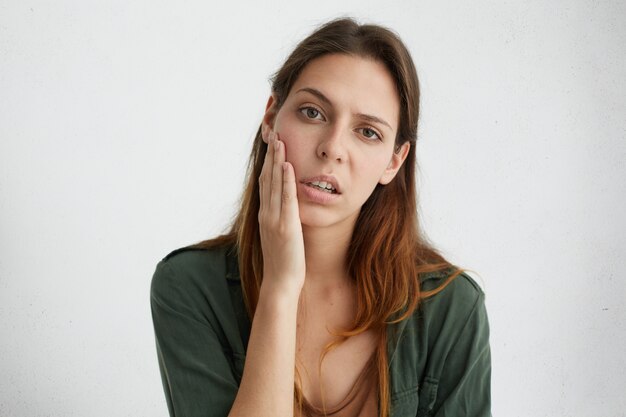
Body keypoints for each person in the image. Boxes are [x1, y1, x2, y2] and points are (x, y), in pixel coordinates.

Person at [150, 17, 491, 417]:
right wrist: (280, 289)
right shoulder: (188, 287)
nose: (332, 148)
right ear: (271, 115)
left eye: (367, 132)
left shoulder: (452, 308)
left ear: (394, 162)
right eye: (313, 112)